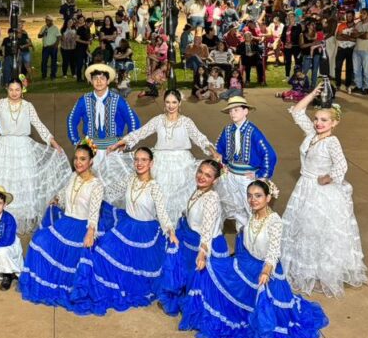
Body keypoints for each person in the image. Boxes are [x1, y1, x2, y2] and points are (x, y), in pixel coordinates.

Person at [178, 178, 329, 338]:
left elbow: (274, 252)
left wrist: (266, 271)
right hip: (246, 265)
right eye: (249, 196)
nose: (253, 200)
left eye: (258, 196)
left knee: (264, 309)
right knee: (210, 266)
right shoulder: (251, 214)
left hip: (266, 270)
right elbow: (230, 209)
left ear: (268, 198)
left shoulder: (275, 221)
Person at [283, 87, 368, 297]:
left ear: (334, 123)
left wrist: (327, 177)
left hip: (320, 192)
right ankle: (305, 268)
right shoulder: (312, 134)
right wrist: (312, 94)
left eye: (324, 120)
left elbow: (341, 165)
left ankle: (323, 272)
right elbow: (296, 112)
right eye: (317, 119)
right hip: (304, 187)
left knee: (319, 230)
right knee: (303, 228)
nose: (318, 123)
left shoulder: (332, 141)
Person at [75, 147, 179, 315]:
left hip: (146, 234)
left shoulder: (154, 187)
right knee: (100, 251)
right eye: (137, 159)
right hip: (126, 226)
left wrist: (170, 231)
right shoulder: (130, 179)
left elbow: (162, 213)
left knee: (135, 273)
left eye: (144, 160)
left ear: (151, 163)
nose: (139, 163)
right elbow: (108, 191)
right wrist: (89, 185)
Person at [0, 79, 71, 234]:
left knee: (23, 181)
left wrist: (54, 143)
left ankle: (21, 219)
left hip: (23, 147)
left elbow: (39, 125)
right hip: (4, 147)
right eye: (11, 89)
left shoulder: (28, 106)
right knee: (4, 179)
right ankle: (2, 219)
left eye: (17, 89)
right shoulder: (0, 104)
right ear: (7, 90)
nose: (14, 93)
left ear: (22, 90)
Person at [17, 143, 112, 310]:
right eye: (76, 158)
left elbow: (94, 212)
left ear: (91, 162)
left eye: (83, 159)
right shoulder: (73, 176)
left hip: (82, 226)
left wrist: (90, 232)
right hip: (66, 223)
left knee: (75, 257)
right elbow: (65, 192)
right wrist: (57, 199)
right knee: (39, 240)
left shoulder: (96, 185)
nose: (78, 162)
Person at [109, 89, 219, 223]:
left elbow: (200, 139)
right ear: (164, 103)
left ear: (179, 104)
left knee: (180, 203)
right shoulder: (158, 120)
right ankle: (162, 230)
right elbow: (140, 133)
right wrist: (121, 143)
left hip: (182, 164)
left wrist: (214, 152)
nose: (171, 105)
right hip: (160, 164)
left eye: (174, 102)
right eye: (167, 102)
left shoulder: (186, 122)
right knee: (159, 199)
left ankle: (176, 231)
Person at [156, 159, 226, 316]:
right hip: (191, 239)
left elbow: (207, 230)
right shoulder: (200, 190)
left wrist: (202, 253)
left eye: (207, 176)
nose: (201, 177)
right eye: (200, 172)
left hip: (204, 244)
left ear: (214, 180)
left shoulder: (211, 198)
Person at [65, 63, 141, 203]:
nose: (99, 81)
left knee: (112, 186)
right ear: (91, 81)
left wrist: (126, 143)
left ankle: (110, 217)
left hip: (112, 150)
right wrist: (77, 143)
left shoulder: (118, 100)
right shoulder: (84, 100)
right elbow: (71, 121)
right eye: (95, 78)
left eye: (102, 78)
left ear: (108, 81)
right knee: (89, 186)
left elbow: (134, 122)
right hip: (90, 151)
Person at [213, 96, 276, 228]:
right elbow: (219, 148)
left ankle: (254, 241)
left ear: (245, 111)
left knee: (251, 209)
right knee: (236, 209)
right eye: (230, 111)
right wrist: (221, 162)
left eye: (236, 110)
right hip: (231, 177)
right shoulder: (227, 130)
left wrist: (260, 174)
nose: (232, 113)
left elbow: (269, 154)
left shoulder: (253, 132)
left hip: (246, 179)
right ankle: (242, 238)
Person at [350, 8, 368, 95]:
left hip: (366, 50)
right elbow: (352, 35)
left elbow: (367, 36)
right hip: (356, 49)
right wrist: (361, 33)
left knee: (366, 70)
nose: (361, 15)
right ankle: (358, 86)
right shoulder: (358, 24)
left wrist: (358, 34)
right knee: (356, 70)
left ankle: (366, 87)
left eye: (364, 13)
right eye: (361, 13)